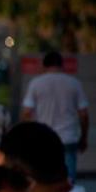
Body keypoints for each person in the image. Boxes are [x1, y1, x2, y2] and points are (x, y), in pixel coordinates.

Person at [21, 52, 89, 183]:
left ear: (44, 65)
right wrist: (84, 137)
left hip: (44, 138)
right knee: (68, 180)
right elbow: (84, 114)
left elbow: (27, 112)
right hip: (68, 137)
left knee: (44, 177)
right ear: (61, 65)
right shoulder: (74, 83)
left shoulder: (36, 83)